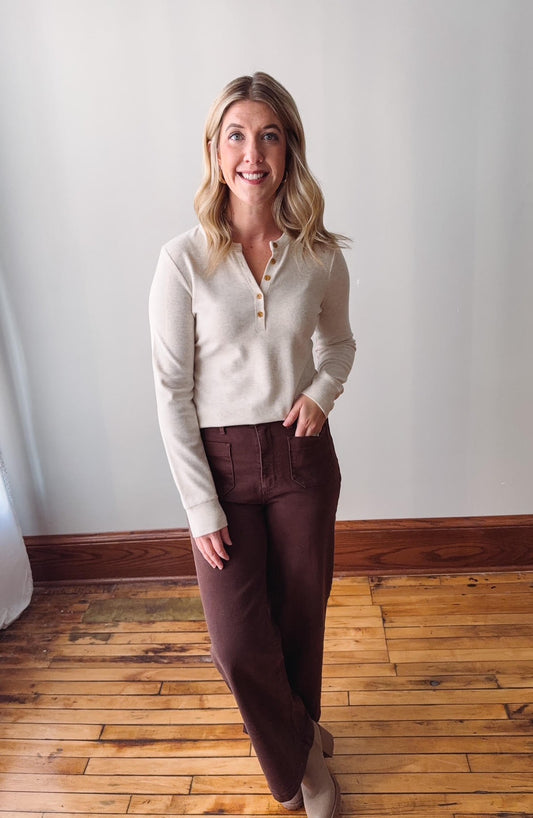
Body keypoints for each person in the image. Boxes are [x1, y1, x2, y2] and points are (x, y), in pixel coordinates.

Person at [149, 72, 355, 818]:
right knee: (238, 643)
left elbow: (338, 345)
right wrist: (200, 507)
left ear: (288, 148)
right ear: (213, 150)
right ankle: (304, 753)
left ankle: (302, 751)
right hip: (222, 466)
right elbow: (171, 393)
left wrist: (320, 394)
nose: (252, 152)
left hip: (301, 460)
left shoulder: (319, 253)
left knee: (299, 616)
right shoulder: (182, 260)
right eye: (236, 134)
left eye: (269, 134)